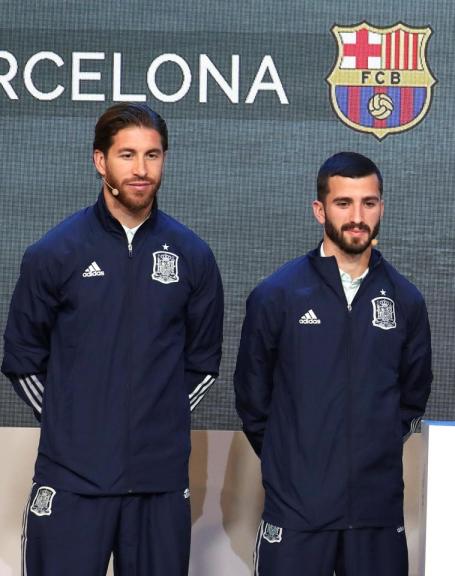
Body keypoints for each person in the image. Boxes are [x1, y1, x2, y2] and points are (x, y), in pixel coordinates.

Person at [2, 103, 224, 575]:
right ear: (100, 161)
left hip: (158, 484)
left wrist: (153, 421)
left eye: (152, 155)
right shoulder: (54, 252)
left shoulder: (193, 256)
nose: (141, 170)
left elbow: (203, 363)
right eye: (127, 155)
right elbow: (21, 357)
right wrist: (77, 424)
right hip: (73, 481)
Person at [235, 151, 432, 575]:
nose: (357, 216)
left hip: (376, 514)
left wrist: (371, 448)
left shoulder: (406, 300)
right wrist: (295, 461)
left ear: (381, 207)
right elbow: (253, 401)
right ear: (319, 210)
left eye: (369, 202)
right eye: (344, 203)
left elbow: (412, 397)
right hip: (297, 512)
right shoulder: (277, 295)